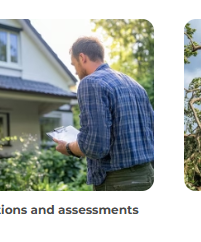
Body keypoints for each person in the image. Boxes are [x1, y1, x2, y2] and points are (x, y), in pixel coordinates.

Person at [53, 35, 155, 191]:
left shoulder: (90, 82)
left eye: (74, 65)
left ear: (82, 57)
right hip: (149, 177)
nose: (75, 72)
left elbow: (96, 147)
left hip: (118, 183)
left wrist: (68, 147)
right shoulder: (136, 85)